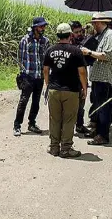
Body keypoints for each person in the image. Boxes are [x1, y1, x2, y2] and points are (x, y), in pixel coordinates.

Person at [43, 23, 87, 158]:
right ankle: (66, 148)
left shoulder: (50, 50)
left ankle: (54, 147)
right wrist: (84, 88)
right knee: (69, 119)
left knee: (54, 119)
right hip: (71, 90)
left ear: (57, 35)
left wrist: (48, 85)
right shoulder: (76, 51)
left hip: (54, 90)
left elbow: (45, 70)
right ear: (70, 35)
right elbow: (82, 72)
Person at [13, 17, 50, 136]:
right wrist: (22, 74)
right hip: (28, 76)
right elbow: (20, 57)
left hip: (39, 76)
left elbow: (46, 59)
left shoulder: (45, 41)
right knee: (23, 101)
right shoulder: (25, 40)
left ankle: (32, 123)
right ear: (35, 27)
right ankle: (17, 125)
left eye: (44, 26)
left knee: (36, 102)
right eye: (41, 26)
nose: (43, 28)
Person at [81, 12, 112, 145]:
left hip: (105, 78)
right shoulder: (99, 36)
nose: (93, 25)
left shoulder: (110, 35)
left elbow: (108, 55)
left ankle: (103, 135)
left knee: (104, 107)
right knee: (97, 106)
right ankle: (98, 130)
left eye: (94, 23)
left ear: (99, 23)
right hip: (97, 77)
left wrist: (89, 52)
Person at [69, 21, 90, 134]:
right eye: (76, 32)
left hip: (82, 77)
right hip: (71, 78)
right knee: (71, 105)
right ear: (71, 33)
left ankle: (80, 125)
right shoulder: (67, 43)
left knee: (81, 103)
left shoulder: (84, 40)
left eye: (80, 31)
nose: (79, 34)